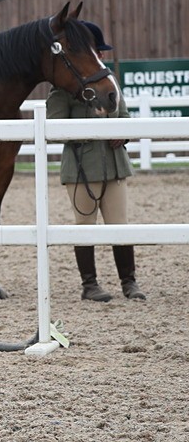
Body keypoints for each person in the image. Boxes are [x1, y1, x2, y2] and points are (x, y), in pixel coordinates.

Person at [46, 20, 145, 302]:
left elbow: (125, 118)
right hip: (81, 167)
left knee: (119, 225)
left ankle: (129, 282)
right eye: (95, 52)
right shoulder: (62, 89)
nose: (98, 58)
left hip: (114, 165)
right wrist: (94, 131)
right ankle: (89, 285)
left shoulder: (109, 83)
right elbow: (55, 125)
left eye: (99, 52)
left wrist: (121, 136)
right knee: (84, 224)